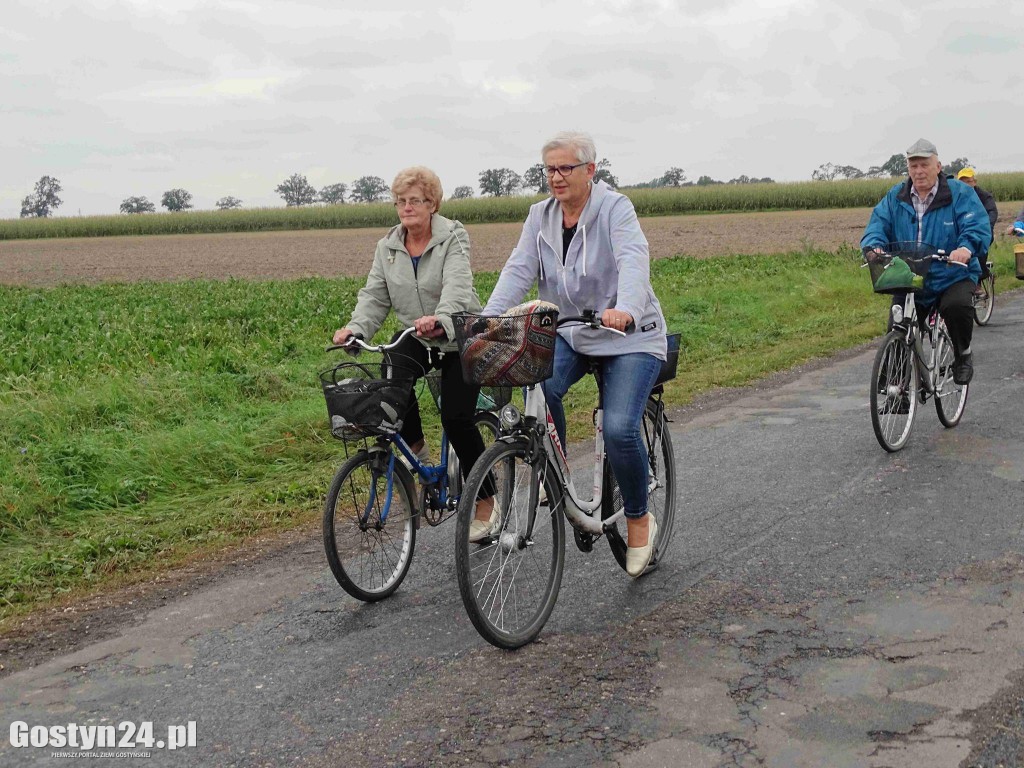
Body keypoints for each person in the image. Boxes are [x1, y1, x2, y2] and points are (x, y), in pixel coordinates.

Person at [481, 131, 668, 577]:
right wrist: (488, 319)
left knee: (621, 427)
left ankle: (640, 517)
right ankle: (553, 469)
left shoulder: (614, 208)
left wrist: (626, 308)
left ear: (590, 170)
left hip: (628, 334)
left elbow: (633, 259)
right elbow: (519, 268)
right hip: (570, 331)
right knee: (540, 386)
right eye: (549, 169)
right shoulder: (539, 217)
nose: (556, 177)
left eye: (566, 168)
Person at [332, 166, 494, 533]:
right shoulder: (387, 247)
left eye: (415, 201)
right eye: (401, 202)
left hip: (459, 333)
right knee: (393, 378)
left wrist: (442, 317)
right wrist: (355, 329)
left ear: (432, 204)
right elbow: (374, 296)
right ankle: (418, 459)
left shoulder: (453, 237)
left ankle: (486, 501)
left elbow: (457, 283)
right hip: (417, 336)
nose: (407, 208)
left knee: (456, 418)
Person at [861, 138, 991, 385]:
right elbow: (877, 224)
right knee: (898, 325)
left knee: (957, 307)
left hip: (952, 273)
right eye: (913, 166)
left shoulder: (960, 194)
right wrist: (874, 247)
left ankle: (963, 355)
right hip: (911, 274)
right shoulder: (896, 197)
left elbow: (976, 224)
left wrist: (965, 247)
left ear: (938, 166)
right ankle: (896, 390)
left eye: (924, 165)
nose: (919, 171)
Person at [955, 167, 997, 291]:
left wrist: (985, 228)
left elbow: (992, 211)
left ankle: (980, 279)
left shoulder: (984, 196)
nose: (965, 184)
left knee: (978, 247)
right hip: (961, 230)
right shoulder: (956, 196)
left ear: (974, 181)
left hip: (982, 231)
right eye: (962, 181)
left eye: (968, 181)